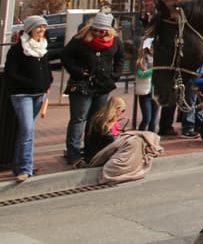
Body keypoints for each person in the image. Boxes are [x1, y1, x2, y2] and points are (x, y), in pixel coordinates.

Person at [62, 11, 125, 164]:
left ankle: (91, 151)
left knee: (95, 119)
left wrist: (114, 75)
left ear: (108, 31)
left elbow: (120, 58)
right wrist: (77, 71)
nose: (97, 34)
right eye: (95, 30)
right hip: (82, 85)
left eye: (101, 31)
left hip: (103, 85)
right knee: (79, 118)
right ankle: (73, 154)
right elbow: (65, 56)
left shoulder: (115, 41)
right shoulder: (80, 39)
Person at [6, 15, 53, 182]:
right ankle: (25, 168)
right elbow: (11, 73)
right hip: (22, 94)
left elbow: (47, 69)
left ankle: (19, 165)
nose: (42, 30)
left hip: (40, 94)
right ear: (29, 29)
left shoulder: (43, 48)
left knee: (26, 131)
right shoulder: (18, 49)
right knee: (27, 129)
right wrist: (31, 83)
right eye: (38, 27)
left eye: (44, 27)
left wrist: (47, 82)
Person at [83, 95, 128, 164]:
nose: (122, 113)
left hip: (97, 152)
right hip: (98, 155)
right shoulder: (103, 121)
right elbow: (109, 139)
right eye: (122, 110)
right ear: (116, 108)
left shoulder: (102, 117)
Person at [134, 38, 159, 133]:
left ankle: (151, 138)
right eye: (151, 47)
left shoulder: (159, 59)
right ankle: (140, 135)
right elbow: (141, 74)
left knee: (154, 121)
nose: (152, 49)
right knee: (146, 119)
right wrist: (153, 70)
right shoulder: (141, 60)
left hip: (156, 92)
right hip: (145, 92)